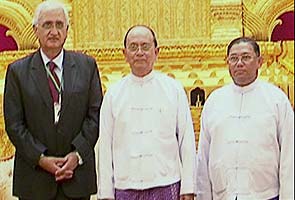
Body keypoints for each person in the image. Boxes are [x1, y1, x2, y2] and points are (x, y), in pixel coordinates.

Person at [3, 1, 103, 200]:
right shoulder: (17, 72)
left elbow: (95, 117)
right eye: (47, 25)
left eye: (59, 25)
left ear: (67, 30)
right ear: (35, 30)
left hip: (76, 179)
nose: (54, 31)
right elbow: (14, 125)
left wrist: (76, 156)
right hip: (34, 180)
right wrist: (41, 159)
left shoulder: (87, 66)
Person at [97, 25, 196, 200]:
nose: (139, 52)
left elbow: (186, 141)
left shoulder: (173, 89)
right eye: (133, 47)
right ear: (125, 54)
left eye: (145, 46)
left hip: (166, 183)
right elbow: (105, 147)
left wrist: (188, 187)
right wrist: (105, 193)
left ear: (156, 52)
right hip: (125, 187)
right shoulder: (113, 94)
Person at [196, 37, 294, 200]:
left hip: (265, 195)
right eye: (233, 58)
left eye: (246, 57)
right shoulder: (214, 101)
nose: (239, 63)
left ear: (259, 61)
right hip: (225, 194)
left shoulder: (277, 100)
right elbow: (204, 156)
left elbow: (289, 155)